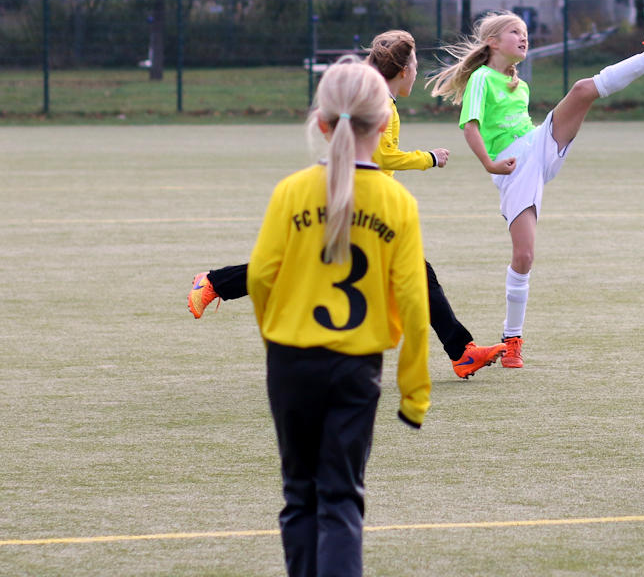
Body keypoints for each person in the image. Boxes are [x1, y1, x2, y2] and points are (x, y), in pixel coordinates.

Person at [188, 30, 507, 380]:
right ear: (403, 71)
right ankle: (216, 283)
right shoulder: (381, 103)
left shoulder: (378, 97)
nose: (417, 72)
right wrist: (428, 158)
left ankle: (462, 352)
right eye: (415, 65)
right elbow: (382, 154)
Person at [248, 57, 430, 577]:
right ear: (383, 124)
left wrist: (278, 334)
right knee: (341, 499)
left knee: (298, 496)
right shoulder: (398, 203)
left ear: (323, 124)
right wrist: (414, 392)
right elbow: (415, 304)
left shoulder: (291, 192)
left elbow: (261, 276)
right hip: (356, 366)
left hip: (291, 360)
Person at [427, 8, 644, 368]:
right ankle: (511, 338)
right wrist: (489, 164)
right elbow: (470, 127)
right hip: (513, 166)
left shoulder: (521, 84)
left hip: (534, 148)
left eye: (525, 32)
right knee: (524, 257)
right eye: (515, 31)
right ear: (493, 42)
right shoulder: (482, 78)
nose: (524, 37)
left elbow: (519, 126)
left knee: (581, 90)